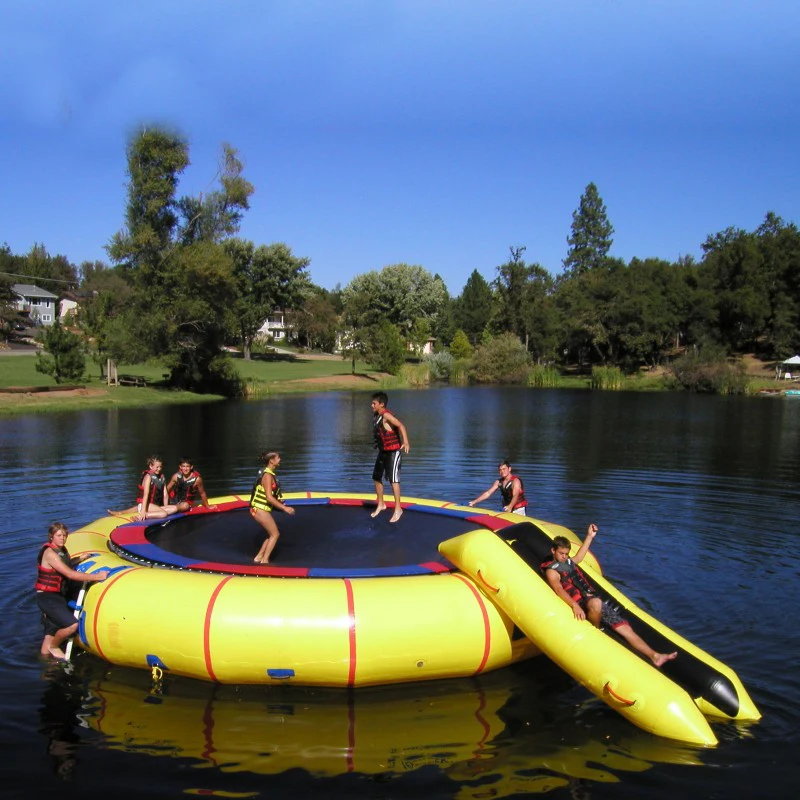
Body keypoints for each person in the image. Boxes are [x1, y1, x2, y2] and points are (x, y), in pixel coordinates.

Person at [541, 524, 678, 668]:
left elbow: (580, 556)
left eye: (567, 554)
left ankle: (655, 656)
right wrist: (574, 605)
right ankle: (596, 632)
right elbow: (558, 589)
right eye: (561, 553)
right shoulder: (552, 571)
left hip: (592, 599)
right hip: (582, 603)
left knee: (625, 628)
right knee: (596, 603)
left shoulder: (568, 562)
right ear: (553, 550)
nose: (564, 557)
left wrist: (589, 536)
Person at [35, 522, 109, 661]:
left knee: (50, 633)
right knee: (72, 625)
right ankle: (54, 647)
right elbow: (69, 574)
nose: (62, 538)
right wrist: (97, 577)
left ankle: (45, 664)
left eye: (64, 535)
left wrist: (79, 559)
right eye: (58, 535)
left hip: (56, 596)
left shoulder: (61, 550)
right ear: (51, 537)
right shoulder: (50, 553)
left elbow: (65, 564)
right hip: (47, 597)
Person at [370, 391, 410, 523]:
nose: (372, 405)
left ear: (381, 404)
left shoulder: (386, 415)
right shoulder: (377, 415)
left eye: (374, 403)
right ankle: (381, 504)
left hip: (393, 453)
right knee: (376, 477)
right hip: (383, 452)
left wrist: (405, 442)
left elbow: (401, 425)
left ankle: (398, 509)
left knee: (394, 480)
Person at [251, 450, 295, 564]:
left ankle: (259, 557)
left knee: (271, 534)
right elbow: (269, 498)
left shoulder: (269, 474)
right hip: (259, 509)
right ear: (271, 460)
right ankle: (265, 561)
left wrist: (279, 500)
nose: (280, 460)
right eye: (278, 458)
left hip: (261, 509)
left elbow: (270, 495)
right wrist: (284, 508)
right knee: (275, 534)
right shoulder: (267, 475)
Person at [108, 455, 179, 521]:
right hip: (145, 504)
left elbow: (165, 495)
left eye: (160, 467)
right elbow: (146, 494)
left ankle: (121, 512)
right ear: (151, 466)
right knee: (163, 514)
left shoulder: (162, 477)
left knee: (175, 508)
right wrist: (143, 512)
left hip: (154, 506)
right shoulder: (148, 477)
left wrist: (165, 507)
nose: (159, 469)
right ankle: (141, 516)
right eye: (157, 467)